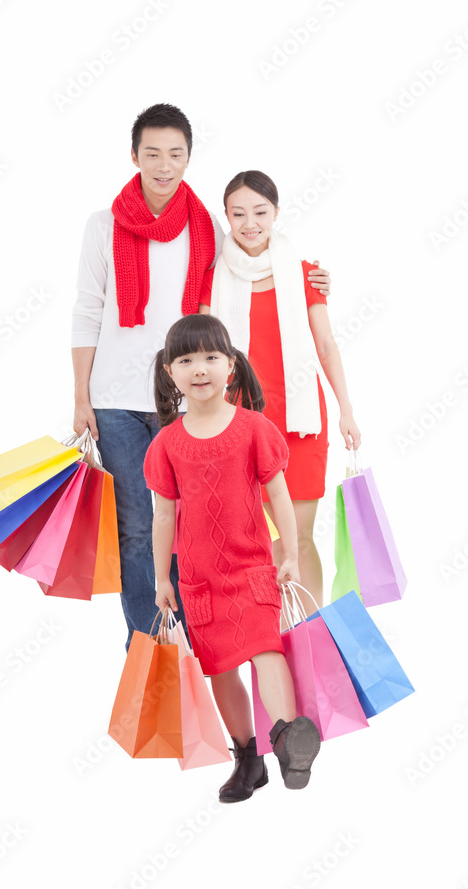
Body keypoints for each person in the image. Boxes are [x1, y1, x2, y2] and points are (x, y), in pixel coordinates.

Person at [71, 106, 332, 648]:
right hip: (115, 400)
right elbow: (86, 311)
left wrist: (313, 275)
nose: (164, 166)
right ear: (134, 156)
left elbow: (255, 257)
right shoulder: (103, 226)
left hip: (184, 401)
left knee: (192, 529)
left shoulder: (207, 227)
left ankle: (200, 641)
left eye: (176, 154)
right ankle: (147, 646)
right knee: (139, 530)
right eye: (153, 154)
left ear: (189, 158)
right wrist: (80, 396)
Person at [143, 314, 322, 802]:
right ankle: (249, 759)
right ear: (168, 372)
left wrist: (289, 549)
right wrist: (162, 578)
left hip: (252, 568)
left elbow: (278, 496)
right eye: (186, 359)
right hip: (200, 581)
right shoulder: (166, 444)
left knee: (267, 649)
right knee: (221, 669)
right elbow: (163, 518)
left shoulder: (253, 428)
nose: (199, 368)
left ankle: (287, 737)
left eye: (210, 357)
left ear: (231, 366)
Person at [198, 170, 361, 613]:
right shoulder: (211, 279)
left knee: (300, 538)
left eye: (260, 212)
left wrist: (346, 409)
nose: (250, 223)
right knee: (257, 540)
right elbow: (202, 358)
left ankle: (312, 634)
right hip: (240, 426)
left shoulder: (305, 274)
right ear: (226, 217)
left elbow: (326, 345)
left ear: (276, 213)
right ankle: (273, 636)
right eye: (238, 214)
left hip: (300, 421)